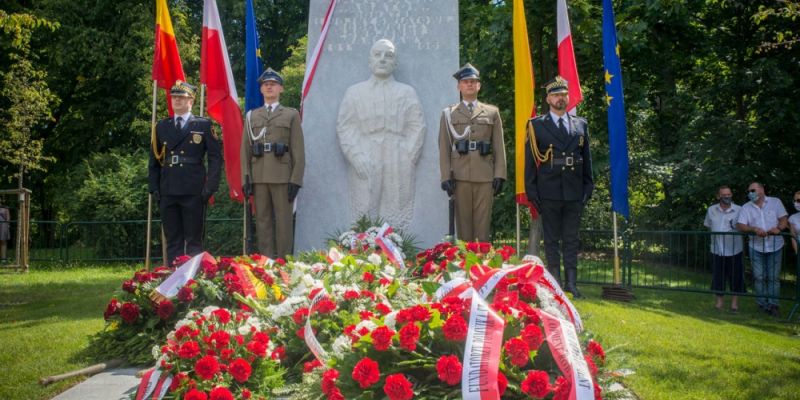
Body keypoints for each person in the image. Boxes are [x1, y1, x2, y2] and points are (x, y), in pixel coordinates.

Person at [337, 39, 425, 231]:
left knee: (397, 209)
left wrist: (408, 155)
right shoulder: (354, 93)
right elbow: (346, 127)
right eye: (378, 54)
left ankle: (399, 253)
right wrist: (356, 156)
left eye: (389, 55)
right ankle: (364, 253)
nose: (383, 59)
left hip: (397, 154)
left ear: (396, 63)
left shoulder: (407, 92)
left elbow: (416, 125)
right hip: (365, 152)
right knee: (364, 208)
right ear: (370, 61)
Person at [524, 76, 593, 298]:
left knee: (572, 238)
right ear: (548, 99)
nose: (560, 99)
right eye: (555, 95)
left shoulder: (580, 124)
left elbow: (587, 158)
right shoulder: (536, 125)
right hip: (549, 190)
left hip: (574, 189)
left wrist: (588, 186)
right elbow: (529, 160)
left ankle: (572, 283)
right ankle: (555, 283)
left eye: (563, 95)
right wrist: (531, 190)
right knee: (552, 239)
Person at [148, 80, 222, 265]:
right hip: (168, 188)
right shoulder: (162, 126)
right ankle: (173, 281)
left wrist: (210, 186)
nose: (177, 101)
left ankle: (192, 281)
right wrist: (154, 186)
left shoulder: (203, 125)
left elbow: (215, 158)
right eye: (174, 97)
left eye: (182, 97)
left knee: (194, 240)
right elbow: (154, 160)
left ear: (191, 101)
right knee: (172, 239)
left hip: (193, 189)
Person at [438, 63, 507, 242]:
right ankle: (464, 266)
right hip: (459, 176)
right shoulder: (449, 113)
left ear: (479, 85)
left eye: (473, 81)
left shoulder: (492, 112)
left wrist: (500, 174)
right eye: (465, 81)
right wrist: (446, 177)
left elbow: (499, 145)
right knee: (463, 227)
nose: (469, 84)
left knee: (482, 227)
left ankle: (481, 266)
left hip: (485, 175)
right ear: (459, 86)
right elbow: (444, 147)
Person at [241, 68, 305, 259]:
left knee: (284, 221)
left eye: (273, 84)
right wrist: (246, 179)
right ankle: (266, 262)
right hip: (259, 176)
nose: (269, 87)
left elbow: (298, 151)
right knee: (263, 221)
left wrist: (296, 180)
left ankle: (284, 261)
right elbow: (245, 150)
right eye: (265, 84)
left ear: (281, 89)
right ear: (261, 90)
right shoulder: (252, 116)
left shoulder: (291, 115)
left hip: (282, 176)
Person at [736, 182, 788, 316]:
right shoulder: (746, 207)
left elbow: (783, 219)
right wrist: (753, 229)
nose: (750, 193)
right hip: (756, 246)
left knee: (773, 278)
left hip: (775, 245)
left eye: (752, 190)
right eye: (748, 191)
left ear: (762, 190)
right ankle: (762, 304)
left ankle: (773, 304)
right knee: (759, 277)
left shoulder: (775, 202)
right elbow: (741, 225)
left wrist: (779, 228)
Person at [703, 185, 744, 312]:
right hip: (717, 249)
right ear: (718, 196)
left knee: (735, 277)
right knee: (718, 277)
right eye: (724, 194)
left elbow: (743, 226)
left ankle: (734, 304)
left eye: (729, 194)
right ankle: (719, 303)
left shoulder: (739, 209)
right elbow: (709, 226)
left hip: (734, 249)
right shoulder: (711, 210)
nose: (727, 196)